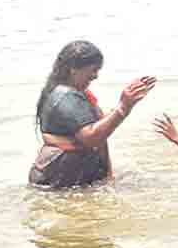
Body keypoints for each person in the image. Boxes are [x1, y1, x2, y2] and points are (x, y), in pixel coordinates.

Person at [29, 41, 157, 188]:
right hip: (60, 182)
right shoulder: (65, 96)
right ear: (73, 69)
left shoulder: (71, 92)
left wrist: (129, 100)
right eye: (93, 70)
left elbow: (98, 125)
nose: (95, 76)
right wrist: (123, 107)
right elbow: (91, 137)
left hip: (67, 179)